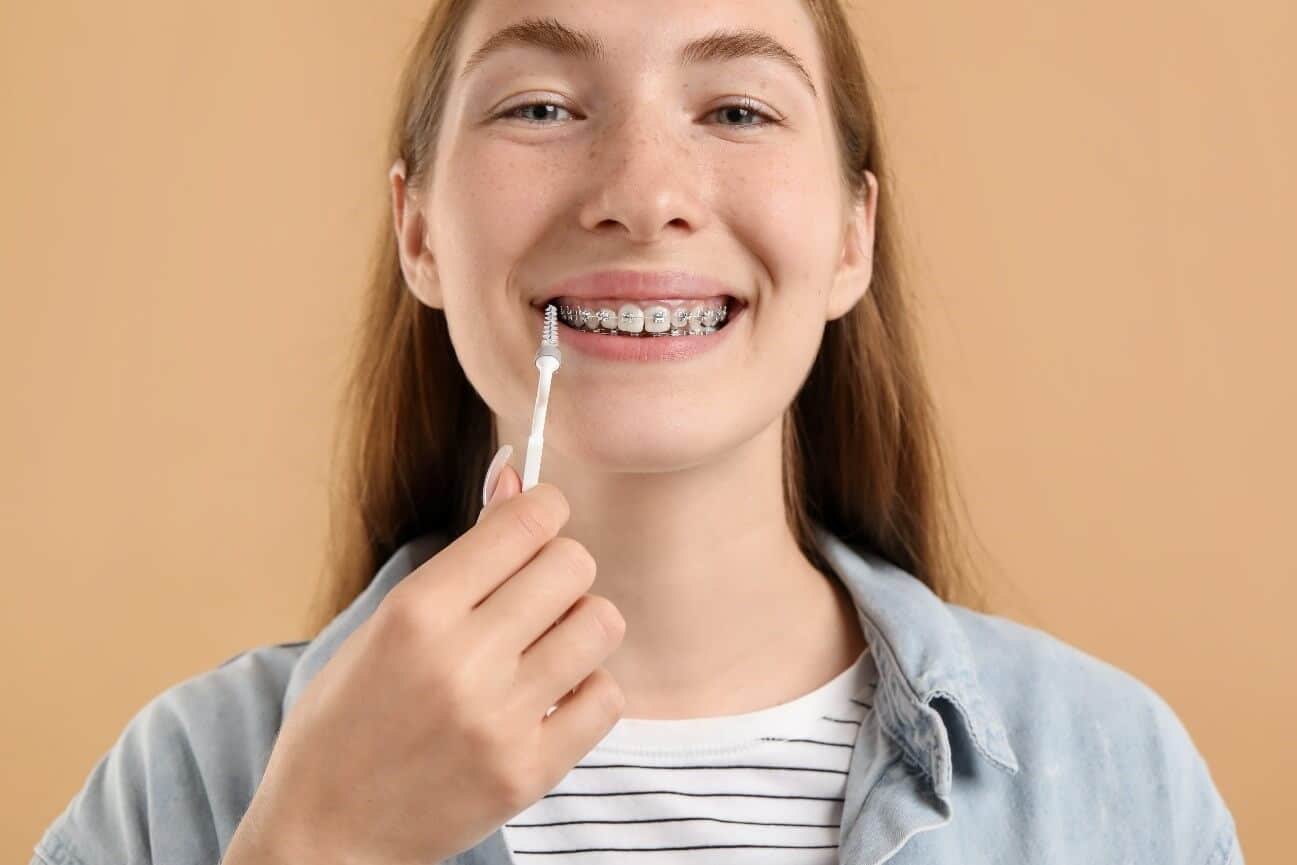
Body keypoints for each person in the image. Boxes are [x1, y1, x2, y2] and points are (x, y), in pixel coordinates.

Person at [31, 1, 1244, 863]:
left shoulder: (1112, 776)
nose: (642, 189)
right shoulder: (186, 784)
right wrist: (324, 849)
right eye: (543, 104)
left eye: (735, 107)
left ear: (849, 239)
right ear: (418, 232)